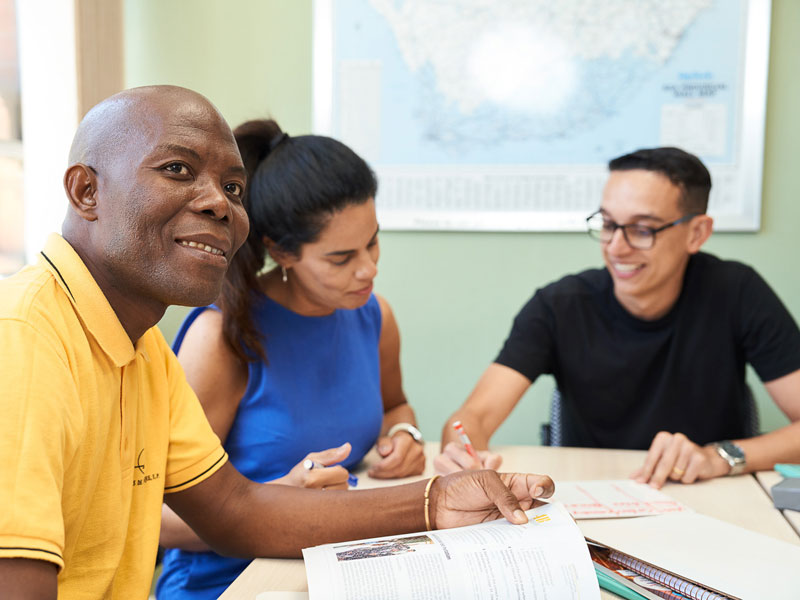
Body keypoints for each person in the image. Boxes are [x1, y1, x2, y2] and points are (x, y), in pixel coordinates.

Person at [0, 85, 556, 600]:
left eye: (234, 188)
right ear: (86, 190)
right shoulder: (23, 342)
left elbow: (238, 511)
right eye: (177, 169)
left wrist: (438, 500)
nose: (220, 203)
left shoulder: (140, 350)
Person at [156, 119, 425, 599]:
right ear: (281, 252)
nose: (369, 268)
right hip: (228, 582)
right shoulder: (220, 338)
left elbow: (394, 406)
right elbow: (149, 515)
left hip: (336, 564)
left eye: (373, 241)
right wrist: (278, 501)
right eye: (341, 258)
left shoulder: (373, 315)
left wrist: (404, 435)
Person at [437, 147, 800, 488]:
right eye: (609, 224)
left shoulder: (737, 292)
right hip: (589, 497)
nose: (616, 247)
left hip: (707, 495)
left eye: (642, 230)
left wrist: (718, 456)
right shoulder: (559, 305)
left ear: (697, 233)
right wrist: (462, 453)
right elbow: (474, 417)